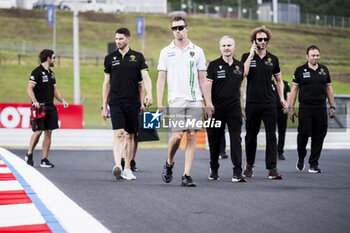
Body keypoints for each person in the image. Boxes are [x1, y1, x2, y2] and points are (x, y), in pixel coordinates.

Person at [157, 16, 213, 187]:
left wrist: (208, 102)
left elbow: (203, 79)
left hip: (195, 99)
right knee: (177, 135)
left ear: (187, 28)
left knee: (191, 135)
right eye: (174, 28)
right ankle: (169, 162)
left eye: (180, 27)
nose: (177, 31)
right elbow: (161, 79)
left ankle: (186, 174)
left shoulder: (197, 51)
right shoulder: (166, 51)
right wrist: (160, 102)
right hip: (175, 100)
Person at [102, 27, 150, 180]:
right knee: (118, 134)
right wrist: (104, 104)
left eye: (121, 39)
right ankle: (118, 165)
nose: (118, 41)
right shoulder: (110, 58)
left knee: (130, 136)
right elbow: (106, 83)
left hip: (133, 102)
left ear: (128, 39)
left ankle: (128, 168)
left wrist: (149, 94)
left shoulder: (138, 57)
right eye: (116, 39)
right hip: (115, 102)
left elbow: (145, 79)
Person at [241, 25, 287, 179]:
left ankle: (272, 168)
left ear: (268, 41)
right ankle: (249, 166)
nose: (262, 41)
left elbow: (279, 80)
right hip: (252, 102)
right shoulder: (246, 56)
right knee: (251, 135)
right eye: (259, 39)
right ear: (254, 40)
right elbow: (243, 74)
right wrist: (251, 55)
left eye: (265, 39)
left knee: (271, 136)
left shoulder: (273, 59)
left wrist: (281, 98)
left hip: (269, 102)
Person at [289, 45, 335, 173]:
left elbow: (329, 89)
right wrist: (291, 108)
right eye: (313, 55)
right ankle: (301, 156)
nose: (316, 58)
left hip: (321, 107)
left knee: (319, 135)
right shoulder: (300, 70)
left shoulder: (324, 70)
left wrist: (332, 106)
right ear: (307, 56)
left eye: (317, 55)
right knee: (303, 134)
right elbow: (294, 90)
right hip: (305, 107)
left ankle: (313, 164)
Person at [206, 35, 246, 182]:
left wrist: (241, 108)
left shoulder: (239, 66)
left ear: (234, 47)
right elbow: (207, 86)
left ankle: (237, 172)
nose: (227, 48)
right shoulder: (213, 65)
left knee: (236, 140)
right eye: (224, 45)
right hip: (216, 109)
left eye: (229, 45)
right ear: (220, 47)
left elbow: (240, 88)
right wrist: (208, 104)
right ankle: (214, 167)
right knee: (214, 140)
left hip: (234, 109)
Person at [25, 49, 69, 168]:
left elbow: (55, 90)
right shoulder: (37, 72)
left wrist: (63, 101)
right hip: (39, 107)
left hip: (50, 107)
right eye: (54, 58)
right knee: (38, 131)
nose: (55, 60)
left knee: (48, 132)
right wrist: (34, 101)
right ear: (48, 58)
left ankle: (44, 159)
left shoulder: (51, 73)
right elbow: (29, 88)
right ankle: (29, 154)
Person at [272, 79, 291, 160]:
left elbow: (289, 95)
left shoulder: (285, 84)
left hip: (282, 111)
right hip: (272, 111)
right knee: (271, 132)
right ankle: (272, 151)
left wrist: (288, 106)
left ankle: (280, 151)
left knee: (282, 132)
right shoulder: (269, 83)